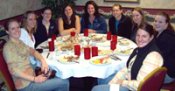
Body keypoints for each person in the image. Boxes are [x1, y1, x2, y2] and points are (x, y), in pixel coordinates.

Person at [92, 23, 163, 91]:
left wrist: (122, 82)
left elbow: (141, 85)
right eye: (138, 35)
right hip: (129, 81)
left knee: (95, 89)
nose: (140, 39)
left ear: (151, 37)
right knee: (102, 78)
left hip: (132, 89)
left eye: (144, 36)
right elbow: (128, 69)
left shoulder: (153, 56)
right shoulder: (139, 50)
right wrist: (112, 83)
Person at [3, 19, 69, 91]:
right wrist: (35, 79)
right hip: (26, 86)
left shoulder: (19, 42)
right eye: (13, 28)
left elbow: (33, 52)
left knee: (61, 74)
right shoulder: (8, 47)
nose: (17, 30)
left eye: (18, 27)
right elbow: (13, 70)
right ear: (7, 31)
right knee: (64, 82)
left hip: (32, 75)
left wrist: (42, 61)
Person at [153, 12, 175, 83]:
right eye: (155, 21)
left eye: (160, 22)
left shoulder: (167, 37)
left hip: (168, 74)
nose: (156, 23)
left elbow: (158, 58)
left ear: (166, 24)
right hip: (163, 67)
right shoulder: (158, 32)